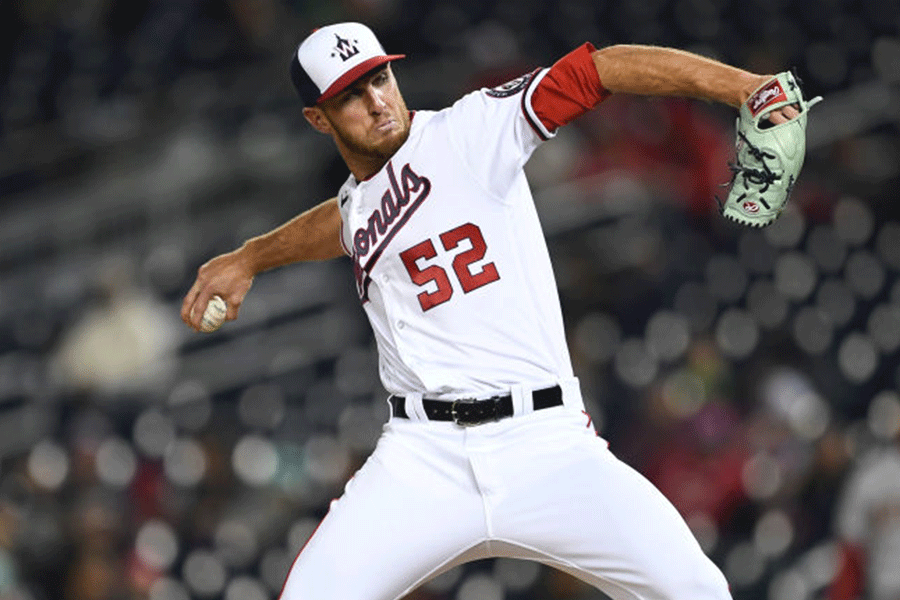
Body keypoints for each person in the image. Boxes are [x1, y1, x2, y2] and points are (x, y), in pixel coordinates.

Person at [181, 22, 800, 600]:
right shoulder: (359, 202)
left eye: (379, 78)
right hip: (421, 457)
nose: (376, 101)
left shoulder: (472, 130)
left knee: (699, 591)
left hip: (545, 444)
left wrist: (742, 86)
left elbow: (602, 68)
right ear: (319, 119)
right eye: (350, 95)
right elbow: (342, 221)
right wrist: (252, 257)